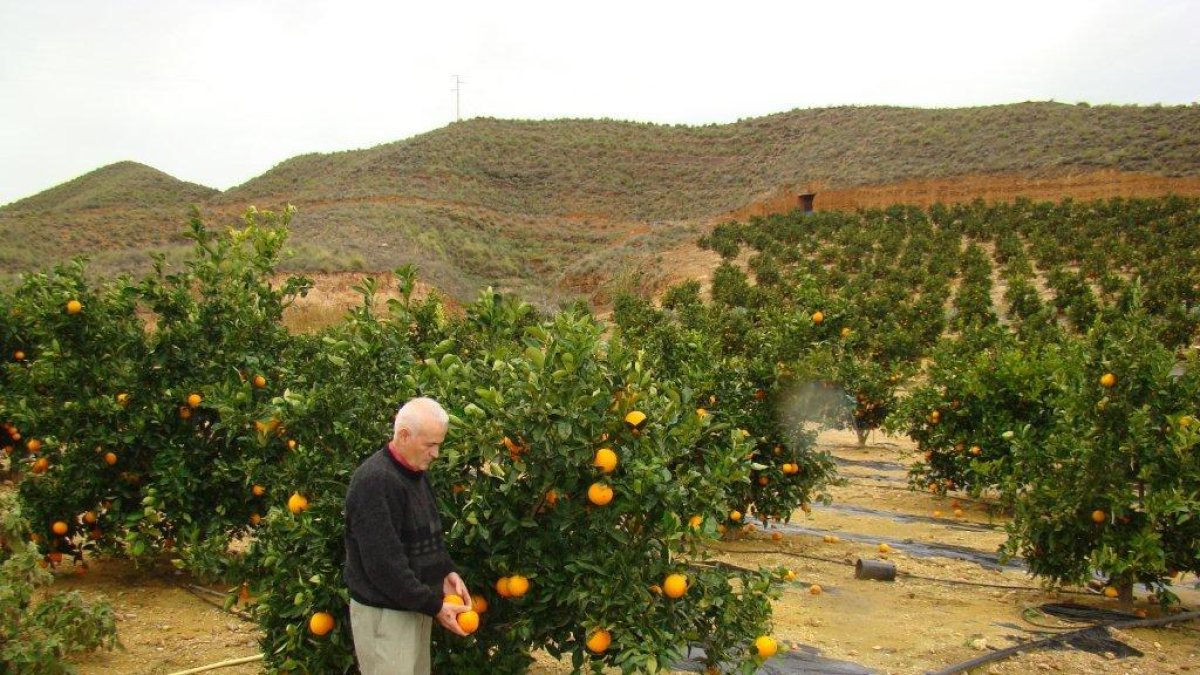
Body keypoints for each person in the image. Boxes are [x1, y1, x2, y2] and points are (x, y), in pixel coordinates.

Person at [344, 397, 471, 674]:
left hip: (412, 605)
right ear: (403, 436)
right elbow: (383, 564)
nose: (436, 453)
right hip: (386, 614)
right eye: (430, 445)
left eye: (439, 444)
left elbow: (428, 532)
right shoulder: (375, 482)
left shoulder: (415, 473)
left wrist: (446, 572)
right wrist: (434, 605)